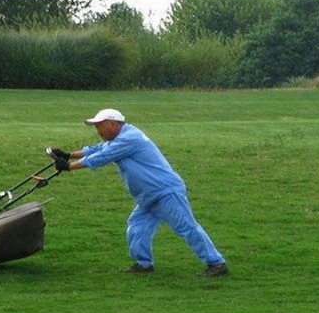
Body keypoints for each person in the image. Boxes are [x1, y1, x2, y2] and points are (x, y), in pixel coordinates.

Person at [46, 108, 229, 276]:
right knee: (137, 227)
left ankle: (216, 263)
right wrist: (68, 155)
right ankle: (143, 264)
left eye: (100, 126)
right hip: (148, 196)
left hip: (165, 191)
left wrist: (69, 167)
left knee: (187, 227)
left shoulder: (130, 138)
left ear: (113, 123)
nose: (98, 131)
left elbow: (102, 157)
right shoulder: (120, 138)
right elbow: (97, 149)